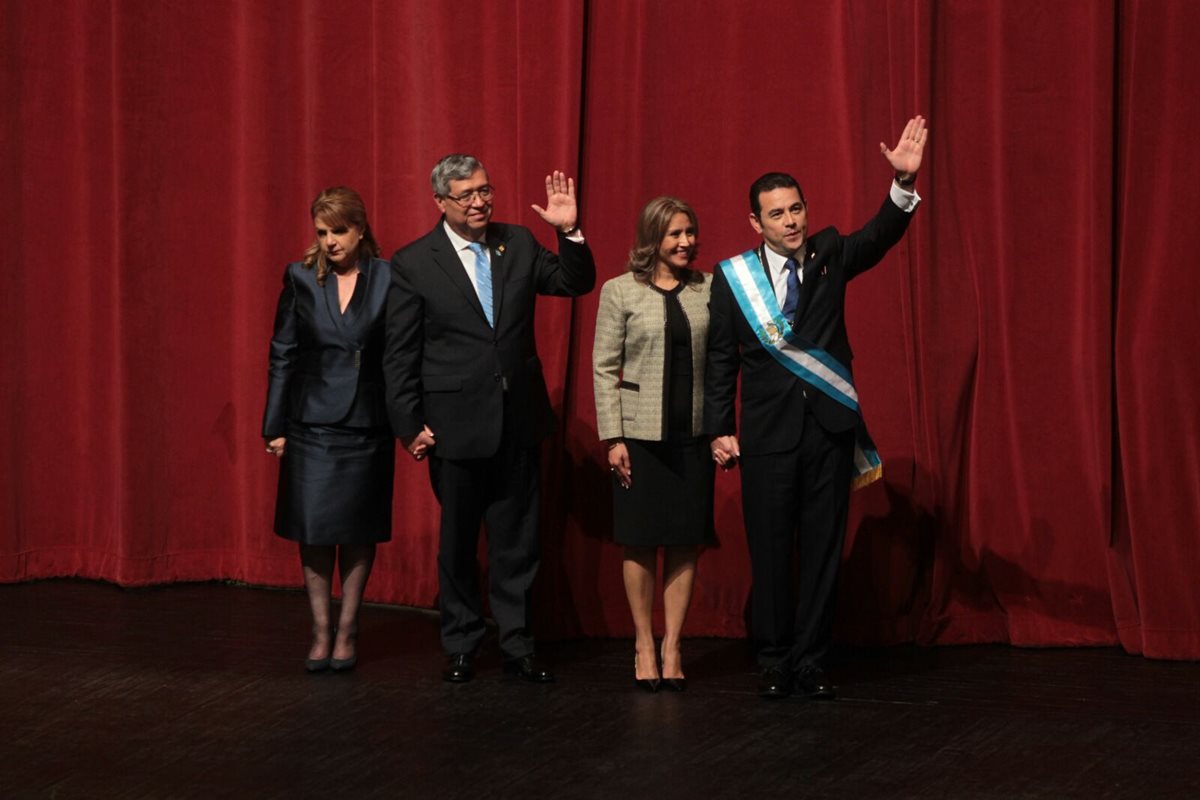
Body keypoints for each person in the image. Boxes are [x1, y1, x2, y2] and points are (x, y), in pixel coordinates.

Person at [705, 116, 928, 699]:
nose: (792, 221)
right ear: (756, 222)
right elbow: (721, 360)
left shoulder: (830, 252)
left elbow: (879, 235)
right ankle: (775, 658)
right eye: (777, 214)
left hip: (828, 431)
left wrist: (901, 186)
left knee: (824, 549)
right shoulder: (732, 279)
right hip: (767, 435)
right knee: (773, 553)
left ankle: (810, 660)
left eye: (797, 208)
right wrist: (717, 429)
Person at [384, 154, 595, 683]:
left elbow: (575, 283)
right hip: (452, 425)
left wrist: (569, 231)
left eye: (485, 190)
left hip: (518, 420)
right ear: (440, 202)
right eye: (466, 195)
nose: (480, 202)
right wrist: (408, 423)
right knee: (457, 541)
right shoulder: (413, 261)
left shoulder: (518, 242)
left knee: (517, 540)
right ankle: (460, 640)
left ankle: (517, 643)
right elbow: (400, 352)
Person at [262, 186, 394, 673]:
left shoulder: (387, 277)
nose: (331, 241)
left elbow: (401, 354)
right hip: (311, 424)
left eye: (339, 231)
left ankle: (349, 629)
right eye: (323, 232)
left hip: (367, 423)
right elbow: (283, 353)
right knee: (314, 531)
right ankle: (320, 630)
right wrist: (274, 425)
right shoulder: (300, 277)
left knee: (359, 532)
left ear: (360, 228)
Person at [592, 197, 713, 693]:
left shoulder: (709, 288)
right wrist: (613, 436)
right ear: (652, 240)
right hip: (638, 438)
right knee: (640, 541)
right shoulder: (620, 291)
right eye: (674, 234)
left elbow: (723, 361)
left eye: (690, 232)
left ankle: (673, 645)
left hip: (694, 435)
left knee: (685, 541)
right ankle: (644, 642)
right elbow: (604, 367)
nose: (685, 242)